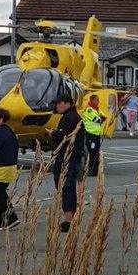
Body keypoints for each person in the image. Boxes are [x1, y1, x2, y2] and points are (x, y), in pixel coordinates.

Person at [50, 94, 84, 233]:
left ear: (68, 103)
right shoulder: (76, 116)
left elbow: (62, 139)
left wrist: (53, 134)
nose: (56, 106)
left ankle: (68, 221)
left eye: (59, 103)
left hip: (66, 158)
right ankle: (71, 219)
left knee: (65, 188)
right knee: (69, 188)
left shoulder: (67, 118)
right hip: (74, 157)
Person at [82, 94, 107, 177]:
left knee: (96, 152)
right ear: (92, 100)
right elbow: (97, 119)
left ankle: (95, 170)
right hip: (90, 134)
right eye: (97, 100)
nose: (98, 102)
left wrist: (100, 117)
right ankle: (91, 170)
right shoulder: (89, 110)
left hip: (96, 134)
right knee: (91, 153)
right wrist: (100, 117)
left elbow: (104, 117)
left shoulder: (96, 109)